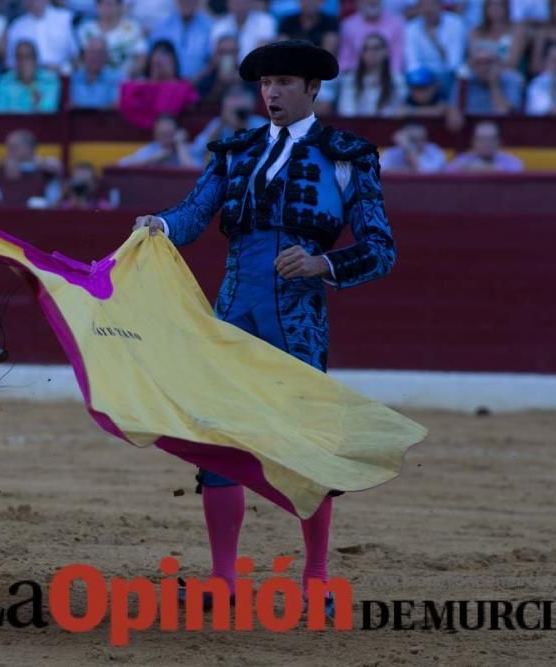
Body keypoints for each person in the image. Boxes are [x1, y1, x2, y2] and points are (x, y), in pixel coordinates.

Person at [132, 39, 396, 619]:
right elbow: (193, 214)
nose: (271, 93)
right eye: (265, 83)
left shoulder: (347, 156)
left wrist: (322, 263)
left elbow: (380, 250)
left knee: (305, 446)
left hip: (298, 322)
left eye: (283, 83)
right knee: (219, 442)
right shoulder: (236, 150)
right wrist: (159, 225)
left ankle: (317, 578)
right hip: (233, 315)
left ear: (313, 90)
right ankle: (224, 582)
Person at [190, 85, 268, 163]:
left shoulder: (261, 124)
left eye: (240, 97)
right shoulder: (218, 123)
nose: (236, 102)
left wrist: (241, 125)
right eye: (232, 97)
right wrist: (222, 122)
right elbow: (198, 150)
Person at [403, 0, 467, 95]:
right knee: (412, 78)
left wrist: (435, 42)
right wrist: (424, 77)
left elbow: (454, 62)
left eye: (432, 5)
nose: (428, 9)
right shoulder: (411, 28)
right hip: (422, 74)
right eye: (424, 6)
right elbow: (412, 62)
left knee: (455, 75)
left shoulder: (456, 24)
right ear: (418, 8)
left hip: (447, 73)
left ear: (440, 6)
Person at [335, 32, 406, 116]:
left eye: (376, 48)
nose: (370, 52)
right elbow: (346, 112)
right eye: (366, 49)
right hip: (355, 126)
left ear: (386, 52)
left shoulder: (397, 79)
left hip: (388, 127)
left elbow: (399, 112)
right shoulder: (350, 79)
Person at [76, 0, 148, 78]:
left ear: (120, 6)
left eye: (110, 4)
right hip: (92, 81)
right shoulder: (85, 29)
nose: (106, 8)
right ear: (97, 6)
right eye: (103, 4)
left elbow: (141, 59)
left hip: (124, 80)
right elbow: (78, 59)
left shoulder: (133, 28)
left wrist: (125, 75)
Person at [149, 0, 215, 82]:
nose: (187, 2)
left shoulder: (211, 27)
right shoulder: (162, 25)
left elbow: (213, 61)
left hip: (199, 84)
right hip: (167, 85)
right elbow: (153, 58)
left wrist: (196, 79)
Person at [4, 0, 78, 72]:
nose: (35, 2)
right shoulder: (17, 27)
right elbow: (10, 64)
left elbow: (76, 57)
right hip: (30, 81)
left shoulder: (66, 19)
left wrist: (61, 68)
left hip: (62, 75)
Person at [0, 39, 61, 113]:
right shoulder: (4, 83)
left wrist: (31, 84)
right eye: (19, 57)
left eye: (27, 57)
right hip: (12, 124)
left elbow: (50, 115)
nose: (23, 62)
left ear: (36, 60)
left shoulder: (50, 82)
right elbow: (0, 115)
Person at [338, 0, 406, 73]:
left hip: (389, 77)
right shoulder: (348, 25)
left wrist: (387, 77)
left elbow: (397, 58)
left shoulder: (397, 23)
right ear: (358, 2)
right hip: (356, 76)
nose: (372, 2)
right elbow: (344, 61)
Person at [3, 128, 63, 205]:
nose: (9, 151)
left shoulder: (47, 167)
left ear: (28, 148)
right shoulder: (0, 169)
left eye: (14, 147)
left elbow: (55, 168)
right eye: (8, 147)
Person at [117, 114, 198, 168]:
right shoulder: (150, 150)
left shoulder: (186, 149)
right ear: (155, 134)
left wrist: (180, 144)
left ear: (176, 132)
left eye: (169, 134)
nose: (166, 138)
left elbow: (194, 173)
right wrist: (156, 158)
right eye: (162, 134)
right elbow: (121, 165)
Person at [209, 0, 278, 62]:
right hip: (227, 72)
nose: (239, 2)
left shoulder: (265, 21)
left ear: (251, 2)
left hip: (256, 71)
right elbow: (216, 56)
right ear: (227, 2)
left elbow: (262, 52)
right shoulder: (219, 25)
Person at [69, 35, 124, 109]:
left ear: (107, 56)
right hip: (75, 119)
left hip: (105, 119)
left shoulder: (118, 79)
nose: (96, 56)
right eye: (92, 52)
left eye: (100, 53)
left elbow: (115, 106)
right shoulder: (72, 79)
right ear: (85, 55)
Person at [445, 120, 524, 171]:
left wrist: (484, 168)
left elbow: (516, 170)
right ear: (473, 142)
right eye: (482, 139)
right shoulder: (464, 160)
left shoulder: (511, 161)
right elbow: (447, 172)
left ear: (498, 142)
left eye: (491, 139)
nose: (487, 144)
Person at [379, 123, 448, 172]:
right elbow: (380, 171)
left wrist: (408, 148)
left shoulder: (433, 151)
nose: (420, 143)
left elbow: (422, 173)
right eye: (413, 140)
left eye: (423, 139)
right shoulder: (392, 152)